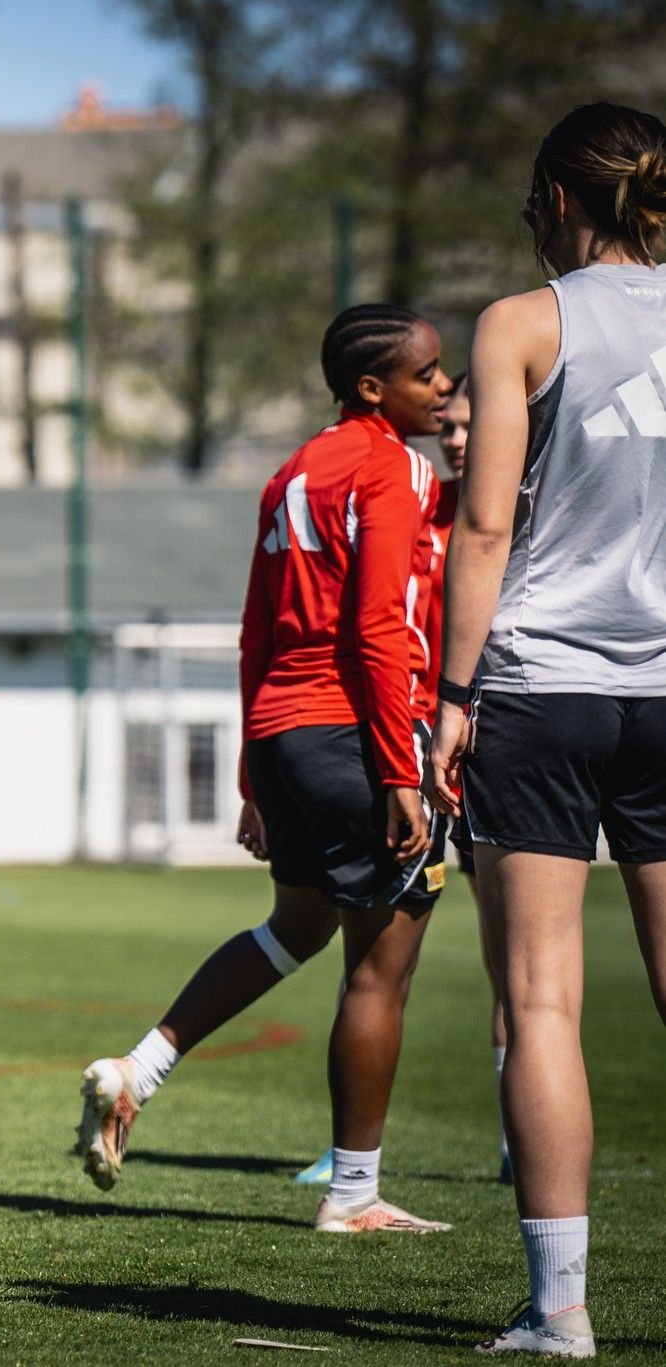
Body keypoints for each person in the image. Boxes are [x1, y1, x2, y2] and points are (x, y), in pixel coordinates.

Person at [75, 305, 454, 1236]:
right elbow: (373, 628)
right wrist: (401, 769)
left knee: (298, 925)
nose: (444, 388)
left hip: (287, 732)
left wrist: (253, 774)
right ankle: (353, 1195)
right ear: (373, 390)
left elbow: (256, 631)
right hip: (356, 734)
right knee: (380, 972)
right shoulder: (392, 465)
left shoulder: (293, 470)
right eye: (429, 373)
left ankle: (139, 1069)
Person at [428, 101, 666, 1358]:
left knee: (542, 1004)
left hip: (541, 685)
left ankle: (558, 1311)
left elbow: (480, 529)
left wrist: (452, 697)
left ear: (559, 201)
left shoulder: (522, 322)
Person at [293, 378, 515, 1189]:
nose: (457, 438)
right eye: (449, 426)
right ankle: (352, 1148)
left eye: (469, 424)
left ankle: (514, 1138)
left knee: (511, 951)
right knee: (383, 955)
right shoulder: (424, 505)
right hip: (437, 740)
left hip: (510, 732)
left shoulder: (510, 512)